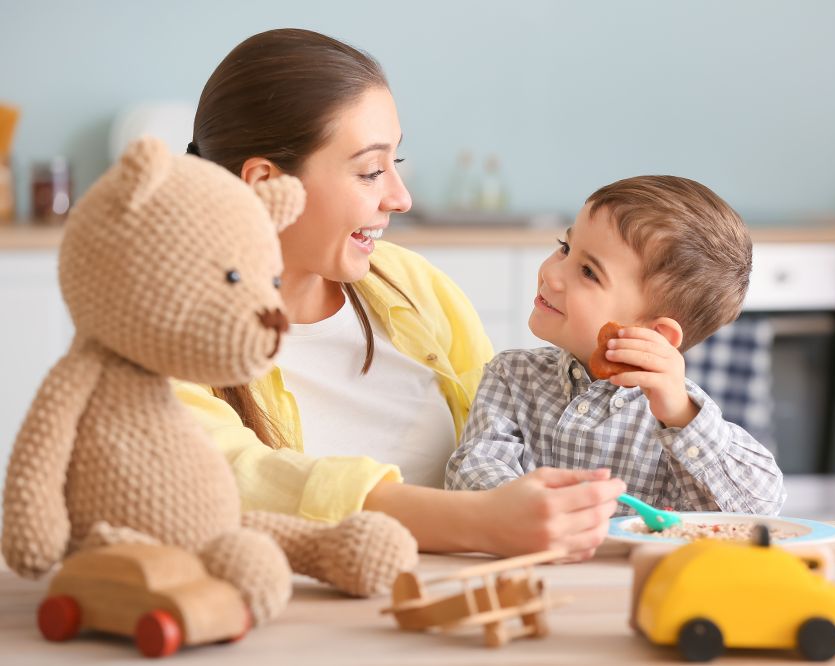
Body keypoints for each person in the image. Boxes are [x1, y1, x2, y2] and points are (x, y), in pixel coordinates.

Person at [175, 28, 624, 561]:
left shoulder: (413, 287)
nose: (401, 197)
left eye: (397, 164)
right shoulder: (164, 335)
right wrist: (482, 523)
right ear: (265, 183)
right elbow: (238, 480)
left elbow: (518, 429)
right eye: (370, 171)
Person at [444, 176, 787, 515]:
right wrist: (537, 506)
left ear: (655, 334)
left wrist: (682, 416)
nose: (552, 274)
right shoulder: (512, 375)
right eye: (565, 247)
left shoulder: (678, 415)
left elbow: (759, 508)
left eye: (589, 272)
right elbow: (472, 470)